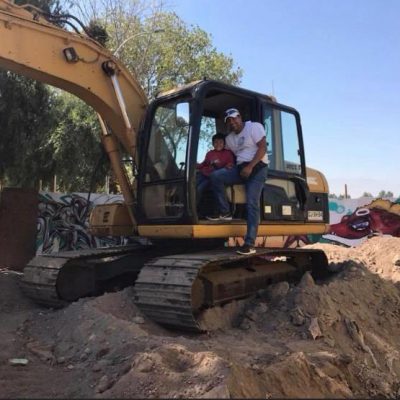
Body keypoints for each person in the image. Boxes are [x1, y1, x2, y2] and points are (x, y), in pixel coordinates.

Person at [207, 108, 268, 255]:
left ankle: (249, 243)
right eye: (229, 121)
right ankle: (225, 212)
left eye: (235, 118)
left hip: (257, 167)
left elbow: (263, 148)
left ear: (240, 117)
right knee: (216, 176)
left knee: (252, 202)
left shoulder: (254, 127)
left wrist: (250, 166)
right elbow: (224, 152)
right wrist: (223, 163)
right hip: (240, 168)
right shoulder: (229, 139)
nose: (233, 122)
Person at [196, 133, 234, 206]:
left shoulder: (228, 153)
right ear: (213, 143)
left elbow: (230, 165)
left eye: (220, 142)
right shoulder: (210, 153)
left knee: (199, 189)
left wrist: (226, 167)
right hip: (204, 174)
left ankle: (195, 208)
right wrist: (196, 165)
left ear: (224, 144)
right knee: (192, 185)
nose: (218, 144)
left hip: (213, 177)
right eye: (216, 142)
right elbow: (204, 164)